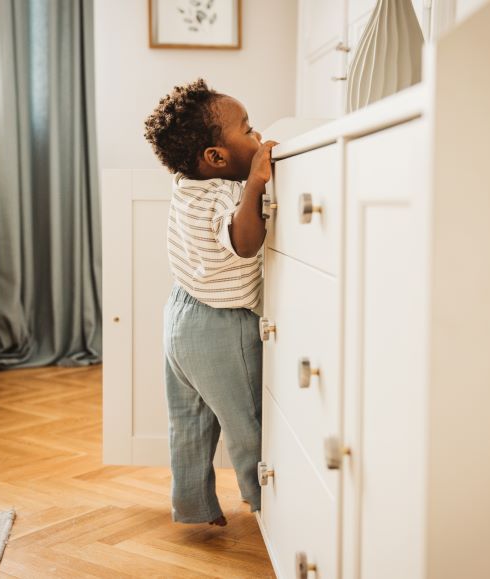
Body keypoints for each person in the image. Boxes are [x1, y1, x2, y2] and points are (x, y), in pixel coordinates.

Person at [144, 78, 278, 526]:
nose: (257, 138)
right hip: (221, 329)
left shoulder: (189, 187)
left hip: (181, 315)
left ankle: (193, 505)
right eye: (248, 129)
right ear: (217, 158)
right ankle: (268, 509)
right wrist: (257, 183)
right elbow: (243, 242)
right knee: (248, 424)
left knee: (189, 423)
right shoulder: (223, 193)